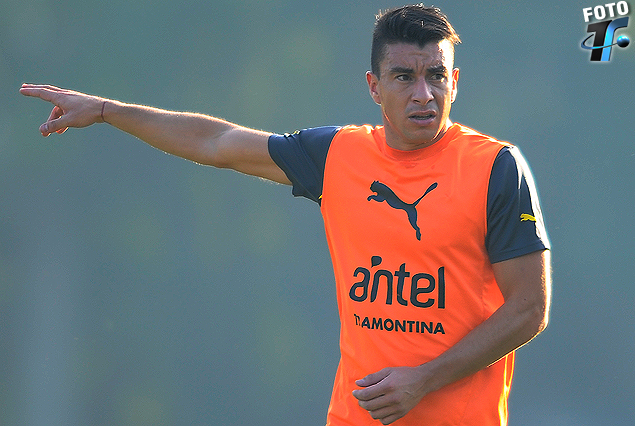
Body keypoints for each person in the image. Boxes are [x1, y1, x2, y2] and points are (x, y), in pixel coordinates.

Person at [20, 4, 551, 426]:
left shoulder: (495, 168)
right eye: (404, 76)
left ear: (455, 81)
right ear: (373, 86)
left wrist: (424, 379)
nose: (423, 94)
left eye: (436, 76)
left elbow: (529, 308)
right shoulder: (337, 155)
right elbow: (218, 142)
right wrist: (108, 111)